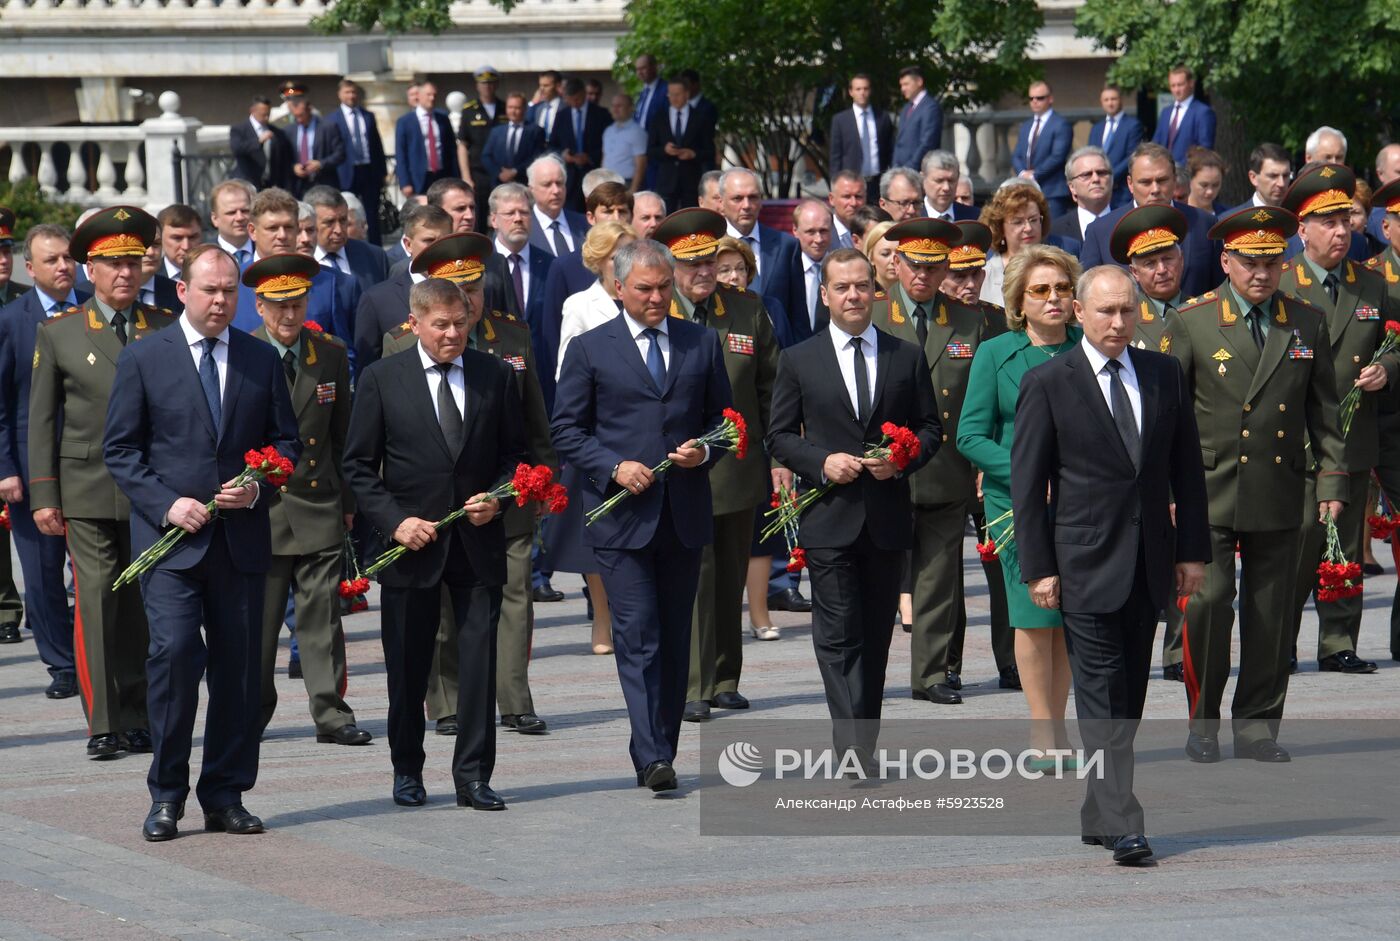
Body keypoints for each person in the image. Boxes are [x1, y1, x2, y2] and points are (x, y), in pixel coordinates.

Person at [1011, 264, 1209, 865]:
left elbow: (1187, 472)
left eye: (1128, 310)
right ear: (1078, 312)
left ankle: (1099, 812)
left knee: (1128, 696)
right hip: (1082, 562)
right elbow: (1028, 484)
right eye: (1106, 311)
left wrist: (1192, 552)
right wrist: (1039, 567)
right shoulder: (1050, 381)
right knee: (1099, 691)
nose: (1119, 322)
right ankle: (1125, 820)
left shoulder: (1163, 373)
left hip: (1148, 561)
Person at [103, 243, 300, 841]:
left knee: (240, 672)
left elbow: (286, 445)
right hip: (171, 546)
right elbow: (121, 451)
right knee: (176, 656)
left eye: (229, 290)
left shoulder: (260, 359)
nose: (220, 300)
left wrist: (258, 487)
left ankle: (225, 793)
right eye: (209, 289)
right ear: (182, 291)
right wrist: (168, 504)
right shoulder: (145, 358)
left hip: (239, 543)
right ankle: (166, 795)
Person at [1162, 205, 1345, 764]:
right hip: (1207, 487)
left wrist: (1332, 479)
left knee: (1272, 611)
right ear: (1225, 261)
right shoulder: (1192, 321)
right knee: (1210, 604)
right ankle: (1202, 721)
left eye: (1271, 261)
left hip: (1279, 483)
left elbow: (1325, 410)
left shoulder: (1306, 321)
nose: (1261, 273)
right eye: (1249, 262)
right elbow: (1166, 416)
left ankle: (1258, 726)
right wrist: (1167, 492)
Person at [551, 238, 733, 792]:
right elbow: (566, 430)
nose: (656, 298)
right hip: (622, 519)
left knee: (677, 638)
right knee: (638, 634)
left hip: (683, 514)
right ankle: (651, 754)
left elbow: (724, 422)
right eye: (644, 289)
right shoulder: (589, 349)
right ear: (619, 288)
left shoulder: (700, 342)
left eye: (663, 287)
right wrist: (613, 467)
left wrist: (705, 450)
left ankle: (661, 748)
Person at [343, 272, 526, 811]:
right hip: (411, 546)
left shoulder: (494, 374)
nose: (452, 334)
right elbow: (357, 465)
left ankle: (473, 775)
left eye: (460, 323)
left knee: (476, 665)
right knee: (407, 664)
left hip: (476, 542)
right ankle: (407, 770)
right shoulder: (382, 378)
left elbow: (515, 455)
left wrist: (500, 498)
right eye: (440, 325)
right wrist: (396, 522)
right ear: (415, 323)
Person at [379, 234, 557, 741]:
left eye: (474, 288)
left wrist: (543, 479)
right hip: (433, 503)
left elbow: (534, 417)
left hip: (503, 491)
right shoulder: (400, 341)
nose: (467, 301)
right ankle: (450, 700)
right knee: (441, 611)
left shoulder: (512, 336)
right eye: (456, 290)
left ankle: (515, 699)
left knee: (515, 595)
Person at [767, 246, 939, 767]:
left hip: (885, 518)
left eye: (862, 285)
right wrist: (821, 462)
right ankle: (853, 745)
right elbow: (778, 436)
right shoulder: (799, 358)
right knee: (838, 633)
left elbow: (931, 430)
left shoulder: (903, 355)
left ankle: (865, 735)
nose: (853, 295)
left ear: (875, 290)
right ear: (824, 296)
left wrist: (901, 461)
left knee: (876, 638)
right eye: (841, 287)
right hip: (829, 517)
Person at [30, 206, 177, 755]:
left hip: (150, 492)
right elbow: (42, 420)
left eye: (133, 262)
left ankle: (140, 715)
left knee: (142, 604)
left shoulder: (163, 327)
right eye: (112, 264)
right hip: (87, 489)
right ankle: (104, 723)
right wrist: (45, 493)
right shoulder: (61, 333)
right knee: (94, 602)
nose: (125, 273)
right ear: (90, 269)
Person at [647, 209, 782, 724]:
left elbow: (771, 386)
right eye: (691, 264)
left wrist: (779, 454)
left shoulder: (745, 310)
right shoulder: (661, 312)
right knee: (694, 579)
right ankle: (694, 684)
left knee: (729, 576)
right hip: (682, 467)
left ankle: (726, 677)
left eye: (709, 261)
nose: (703, 272)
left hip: (739, 466)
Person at [957, 244, 1083, 762]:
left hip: (1081, 505)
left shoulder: (1089, 346)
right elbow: (970, 435)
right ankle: (1041, 732)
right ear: (1019, 301)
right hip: (1018, 508)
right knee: (1035, 616)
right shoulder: (995, 353)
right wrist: (1028, 474)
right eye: (1040, 291)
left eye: (1062, 289)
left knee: (1071, 619)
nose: (1053, 299)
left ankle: (1062, 728)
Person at [242, 253, 370, 746]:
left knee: (322, 617)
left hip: (319, 503)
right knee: (261, 623)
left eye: (296, 304)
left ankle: (331, 711)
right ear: (259, 306)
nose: (289, 316)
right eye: (278, 306)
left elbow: (344, 438)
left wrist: (349, 500)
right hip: (264, 508)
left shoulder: (329, 353)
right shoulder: (245, 352)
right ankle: (251, 711)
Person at [870, 218, 995, 705]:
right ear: (896, 263)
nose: (923, 276)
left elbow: (984, 395)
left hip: (945, 464)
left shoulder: (968, 319)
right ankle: (868, 673)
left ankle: (932, 674)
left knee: (939, 576)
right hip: (884, 467)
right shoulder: (877, 315)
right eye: (914, 265)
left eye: (933, 266)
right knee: (880, 576)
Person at [1280, 165, 1394, 675]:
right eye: (1327, 223)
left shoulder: (1371, 282)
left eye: (1347, 220)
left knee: (1344, 544)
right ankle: (1279, 640)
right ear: (1302, 229)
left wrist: (1386, 369)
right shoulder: (1281, 282)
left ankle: (1337, 642)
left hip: (1352, 438)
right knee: (1294, 547)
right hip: (1294, 443)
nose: (1341, 231)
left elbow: (1398, 339)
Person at [549, 221, 637, 654]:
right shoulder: (580, 305)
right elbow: (567, 369)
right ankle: (602, 619)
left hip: (637, 430)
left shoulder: (646, 300)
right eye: (615, 256)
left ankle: (627, 619)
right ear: (600, 262)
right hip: (599, 433)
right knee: (601, 535)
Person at [0, 223, 84, 673]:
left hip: (89, 463)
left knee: (94, 570)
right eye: (51, 260)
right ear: (30, 268)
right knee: (41, 570)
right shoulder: (11, 322)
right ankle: (60, 664)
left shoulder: (94, 310)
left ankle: (97, 656)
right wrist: (5, 467)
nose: (63, 266)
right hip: (31, 466)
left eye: (68, 257)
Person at [941, 221, 1019, 688]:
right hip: (946, 464)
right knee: (945, 572)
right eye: (958, 275)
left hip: (993, 463)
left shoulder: (996, 320)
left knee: (1003, 566)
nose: (968, 285)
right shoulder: (934, 323)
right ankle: (947, 663)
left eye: (974, 275)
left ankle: (1011, 660)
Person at [1078, 143, 1218, 298]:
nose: (1155, 189)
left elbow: (1219, 290)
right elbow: (1088, 296)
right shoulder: (1100, 231)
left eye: (1162, 180)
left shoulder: (1204, 223)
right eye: (1146, 182)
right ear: (1130, 184)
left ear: (1174, 179)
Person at [353, 203, 452, 369]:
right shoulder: (377, 300)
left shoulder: (464, 290)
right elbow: (367, 369)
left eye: (444, 241)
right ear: (408, 244)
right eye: (429, 240)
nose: (437, 248)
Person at [719, 168, 806, 340]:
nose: (746, 205)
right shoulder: (712, 247)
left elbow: (799, 316)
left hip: (778, 353)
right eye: (737, 198)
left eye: (753, 197)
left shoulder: (786, 246)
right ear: (721, 203)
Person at [978, 183, 1065, 307]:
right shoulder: (986, 276)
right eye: (1018, 222)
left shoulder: (1060, 266)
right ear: (1000, 228)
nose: (1028, 228)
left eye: (1034, 220)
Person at [326, 78, 388, 245]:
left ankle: (376, 247)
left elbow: (377, 144)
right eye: (347, 92)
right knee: (346, 211)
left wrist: (382, 172)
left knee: (371, 213)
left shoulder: (368, 116)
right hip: (346, 172)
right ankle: (348, 244)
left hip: (369, 170)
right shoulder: (332, 119)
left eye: (353, 92)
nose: (351, 96)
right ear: (340, 95)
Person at [304, 185, 389, 295]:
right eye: (329, 222)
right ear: (311, 223)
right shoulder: (299, 262)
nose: (338, 230)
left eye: (343, 220)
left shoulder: (374, 256)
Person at [647, 77, 714, 212]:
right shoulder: (659, 117)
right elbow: (650, 150)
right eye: (670, 94)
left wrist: (693, 154)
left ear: (686, 94)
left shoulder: (700, 117)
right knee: (666, 220)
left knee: (690, 221)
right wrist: (665, 150)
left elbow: (710, 151)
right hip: (666, 180)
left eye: (677, 94)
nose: (673, 98)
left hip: (690, 180)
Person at [1012, 81, 1074, 219]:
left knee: (1054, 234)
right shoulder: (1027, 125)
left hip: (1052, 191)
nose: (1034, 101)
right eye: (1031, 98)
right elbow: (1016, 155)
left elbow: (1057, 156)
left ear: (1050, 98)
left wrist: (1034, 175)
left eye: (1040, 98)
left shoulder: (1061, 124)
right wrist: (1022, 174)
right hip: (1027, 190)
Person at [548, 77, 610, 213]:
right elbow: (552, 145)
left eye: (577, 99)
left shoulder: (601, 114)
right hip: (570, 177)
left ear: (583, 93)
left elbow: (609, 145)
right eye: (571, 100)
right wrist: (563, 155)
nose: (575, 103)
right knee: (571, 214)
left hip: (594, 172)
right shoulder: (561, 116)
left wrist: (590, 157)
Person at [828, 73, 893, 203]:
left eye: (865, 89)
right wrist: (836, 184)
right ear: (851, 92)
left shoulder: (882, 118)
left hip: (877, 182)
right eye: (858, 89)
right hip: (852, 184)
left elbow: (889, 150)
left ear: (870, 91)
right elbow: (835, 156)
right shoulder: (840, 120)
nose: (862, 93)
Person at [454, 65, 509, 217]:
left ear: (496, 84)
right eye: (484, 83)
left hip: (502, 172)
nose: (487, 87)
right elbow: (463, 145)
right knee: (477, 217)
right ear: (477, 85)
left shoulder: (506, 109)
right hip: (478, 173)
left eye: (491, 83)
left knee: (503, 214)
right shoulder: (469, 110)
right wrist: (466, 177)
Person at [281, 81, 345, 198]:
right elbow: (284, 158)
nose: (298, 119)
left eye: (301, 116)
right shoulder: (289, 130)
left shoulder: (328, 127)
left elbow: (340, 154)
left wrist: (320, 164)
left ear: (309, 109)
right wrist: (294, 167)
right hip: (299, 186)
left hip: (324, 183)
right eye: (295, 116)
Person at [394, 81, 458, 198]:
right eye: (428, 95)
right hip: (418, 177)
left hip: (442, 175)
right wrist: (405, 182)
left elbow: (451, 149)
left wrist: (455, 177)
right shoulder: (405, 121)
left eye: (434, 95)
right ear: (419, 95)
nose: (432, 98)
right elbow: (401, 153)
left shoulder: (443, 118)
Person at [1088, 84, 1143, 208]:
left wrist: (1109, 176)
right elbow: (1090, 156)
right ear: (1101, 102)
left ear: (1121, 100)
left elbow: (1132, 156)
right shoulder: (1096, 128)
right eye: (1106, 100)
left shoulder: (1133, 125)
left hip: (1122, 191)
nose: (1110, 103)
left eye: (1113, 99)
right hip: (1099, 192)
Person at [526, 155, 590, 258]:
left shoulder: (584, 224)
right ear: (531, 190)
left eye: (559, 183)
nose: (556, 191)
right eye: (547, 184)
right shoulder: (523, 228)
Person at [1050, 146, 1113, 248]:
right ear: (1072, 187)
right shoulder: (1055, 232)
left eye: (1101, 173)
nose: (1096, 179)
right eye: (1086, 175)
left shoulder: (1128, 222)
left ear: (1112, 180)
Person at [1151, 66, 1215, 164]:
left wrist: (1180, 169)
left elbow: (1205, 149)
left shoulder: (1203, 112)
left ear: (1191, 83)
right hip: (1164, 173)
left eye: (1180, 85)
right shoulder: (1165, 112)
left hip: (1188, 174)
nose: (1176, 90)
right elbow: (1156, 144)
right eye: (1173, 85)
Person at [230, 95, 292, 191]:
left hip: (271, 183)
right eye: (263, 114)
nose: (266, 117)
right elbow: (237, 149)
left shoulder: (276, 132)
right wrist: (258, 141)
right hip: (248, 180)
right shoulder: (239, 129)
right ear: (252, 111)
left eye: (268, 114)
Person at [792, 199, 834, 336]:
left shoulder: (842, 270)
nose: (819, 239)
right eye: (811, 232)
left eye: (824, 231)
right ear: (795, 231)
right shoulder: (786, 270)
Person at [891, 66, 943, 171]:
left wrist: (910, 168)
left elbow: (927, 143)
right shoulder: (907, 108)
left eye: (906, 84)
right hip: (900, 171)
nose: (902, 89)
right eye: (901, 85)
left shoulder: (930, 107)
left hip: (917, 171)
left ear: (919, 82)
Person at [1226, 143, 1292, 214]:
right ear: (1253, 178)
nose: (1281, 184)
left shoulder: (1299, 218)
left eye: (1286, 175)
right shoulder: (1230, 222)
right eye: (1273, 176)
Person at [602, 93, 648, 191]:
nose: (615, 109)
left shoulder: (637, 132)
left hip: (626, 184)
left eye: (619, 106)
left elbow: (641, 165)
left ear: (630, 108)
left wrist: (633, 191)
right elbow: (605, 158)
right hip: (606, 183)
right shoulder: (608, 131)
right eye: (613, 106)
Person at [920, 151, 978, 223]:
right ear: (923, 179)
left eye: (951, 181)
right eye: (939, 181)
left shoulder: (975, 218)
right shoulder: (911, 217)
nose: (946, 188)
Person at [209, 180, 256, 264]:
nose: (240, 218)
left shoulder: (267, 251)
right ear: (215, 219)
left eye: (245, 211)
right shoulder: (203, 257)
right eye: (231, 213)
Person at [155, 204, 201, 284]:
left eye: (192, 237)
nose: (186, 246)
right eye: (177, 238)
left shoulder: (217, 273)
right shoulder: (150, 278)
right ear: (160, 239)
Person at [828, 170, 868, 250]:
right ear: (832, 199)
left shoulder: (872, 231)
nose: (853, 203)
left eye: (858, 196)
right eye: (846, 197)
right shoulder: (824, 234)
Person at [1186, 147, 1228, 215]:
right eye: (1204, 185)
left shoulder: (1228, 215)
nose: (1210, 192)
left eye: (1215, 185)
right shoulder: (1176, 214)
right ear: (1190, 179)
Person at [863, 220, 899, 293]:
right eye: (885, 254)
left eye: (899, 253)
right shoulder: (864, 294)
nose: (893, 261)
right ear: (871, 257)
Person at [527, 70, 564, 140]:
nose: (541, 89)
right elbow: (527, 123)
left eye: (546, 85)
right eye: (540, 85)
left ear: (557, 86)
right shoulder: (538, 108)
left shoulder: (565, 106)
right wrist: (533, 102)